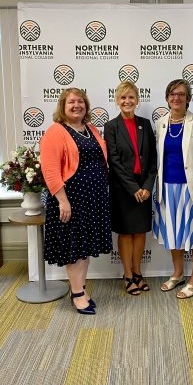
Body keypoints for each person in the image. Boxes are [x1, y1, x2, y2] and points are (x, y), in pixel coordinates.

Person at [40, 87, 112, 315]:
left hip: (93, 198)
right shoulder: (55, 131)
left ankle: (79, 288)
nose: (76, 105)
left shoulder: (91, 129)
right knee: (75, 249)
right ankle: (78, 294)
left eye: (80, 101)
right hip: (71, 199)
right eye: (71, 102)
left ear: (86, 106)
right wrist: (63, 200)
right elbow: (50, 171)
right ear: (63, 106)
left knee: (85, 248)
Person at [153, 79, 193, 299]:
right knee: (174, 234)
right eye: (172, 94)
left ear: (188, 98)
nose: (176, 98)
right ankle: (178, 273)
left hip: (191, 189)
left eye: (181, 94)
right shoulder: (161, 123)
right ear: (167, 98)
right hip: (167, 189)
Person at [104, 81, 157, 296]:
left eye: (131, 97)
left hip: (143, 188)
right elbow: (114, 162)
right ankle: (127, 275)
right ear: (117, 101)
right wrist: (133, 188)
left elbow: (153, 159)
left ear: (137, 100)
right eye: (123, 98)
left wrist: (146, 187)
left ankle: (138, 273)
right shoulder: (111, 127)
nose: (127, 101)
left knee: (140, 232)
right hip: (123, 189)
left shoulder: (145, 124)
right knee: (126, 233)